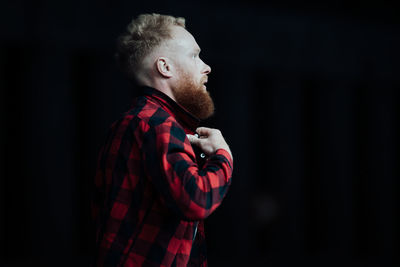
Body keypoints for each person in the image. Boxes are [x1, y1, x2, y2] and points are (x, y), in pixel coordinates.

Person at [92, 13, 233, 267]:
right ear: (164, 67)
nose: (206, 66)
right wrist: (223, 156)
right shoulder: (157, 125)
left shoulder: (133, 123)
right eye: (194, 55)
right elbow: (196, 200)